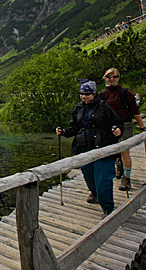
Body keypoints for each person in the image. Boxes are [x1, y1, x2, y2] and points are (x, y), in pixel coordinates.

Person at [56, 79, 123, 218]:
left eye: (87, 94)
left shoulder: (104, 107)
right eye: (81, 93)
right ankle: (95, 194)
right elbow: (74, 127)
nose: (84, 96)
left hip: (103, 146)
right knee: (88, 174)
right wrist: (64, 132)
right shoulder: (79, 108)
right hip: (84, 146)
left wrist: (117, 130)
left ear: (94, 94)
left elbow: (117, 123)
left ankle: (108, 208)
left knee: (103, 177)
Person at [101, 68, 146, 191]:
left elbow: (135, 112)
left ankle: (127, 178)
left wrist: (142, 127)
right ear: (105, 78)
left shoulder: (125, 93)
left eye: (114, 77)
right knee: (115, 150)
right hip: (109, 127)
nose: (111, 79)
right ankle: (119, 165)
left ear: (118, 78)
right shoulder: (102, 94)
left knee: (124, 150)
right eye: (109, 77)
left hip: (125, 125)